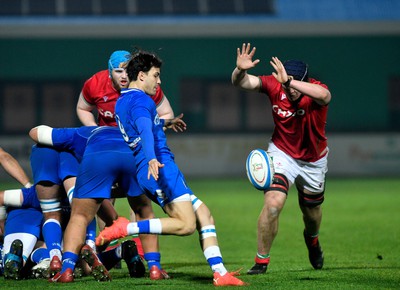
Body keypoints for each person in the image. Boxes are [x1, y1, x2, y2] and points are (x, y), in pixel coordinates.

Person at [97, 50, 247, 287]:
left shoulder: (123, 100)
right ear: (142, 75)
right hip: (161, 170)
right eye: (156, 75)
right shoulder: (142, 100)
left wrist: (166, 122)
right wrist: (151, 158)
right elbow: (145, 129)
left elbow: (144, 124)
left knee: (204, 215)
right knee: (186, 225)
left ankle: (220, 273)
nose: (159, 81)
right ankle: (127, 227)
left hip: (151, 170)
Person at [231, 43, 331, 274]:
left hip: (313, 159)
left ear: (306, 80)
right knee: (273, 204)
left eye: (295, 82)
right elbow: (241, 82)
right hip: (281, 152)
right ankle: (261, 261)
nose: (290, 89)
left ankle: (312, 240)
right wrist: (240, 71)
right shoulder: (274, 85)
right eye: (286, 81)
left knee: (311, 214)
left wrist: (289, 81)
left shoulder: (315, 89)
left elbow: (325, 96)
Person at [76, 50, 174, 266]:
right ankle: (113, 250)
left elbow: (167, 114)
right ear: (109, 70)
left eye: (125, 70)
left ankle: (138, 253)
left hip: (133, 150)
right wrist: (95, 131)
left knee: (138, 200)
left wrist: (147, 137)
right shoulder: (95, 83)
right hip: (106, 151)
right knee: (103, 200)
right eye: (117, 70)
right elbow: (83, 108)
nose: (122, 75)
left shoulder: (146, 84)